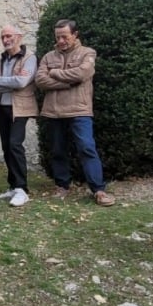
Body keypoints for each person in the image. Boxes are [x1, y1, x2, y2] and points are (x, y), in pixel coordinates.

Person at [35, 19, 116, 206]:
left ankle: (99, 190)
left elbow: (82, 74)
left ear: (75, 35)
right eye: (58, 37)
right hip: (53, 112)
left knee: (87, 148)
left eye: (64, 36)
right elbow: (40, 80)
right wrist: (68, 82)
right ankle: (62, 185)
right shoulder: (48, 57)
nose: (61, 40)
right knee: (57, 151)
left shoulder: (87, 53)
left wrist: (54, 73)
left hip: (79, 110)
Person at [0, 24, 37, 207]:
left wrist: (0, 81)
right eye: (3, 37)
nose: (6, 40)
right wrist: (9, 82)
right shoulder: (0, 60)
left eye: (9, 36)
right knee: (6, 146)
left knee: (15, 145)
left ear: (19, 37)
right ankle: (13, 186)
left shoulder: (29, 58)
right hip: (3, 107)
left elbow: (23, 81)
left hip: (20, 108)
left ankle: (22, 189)